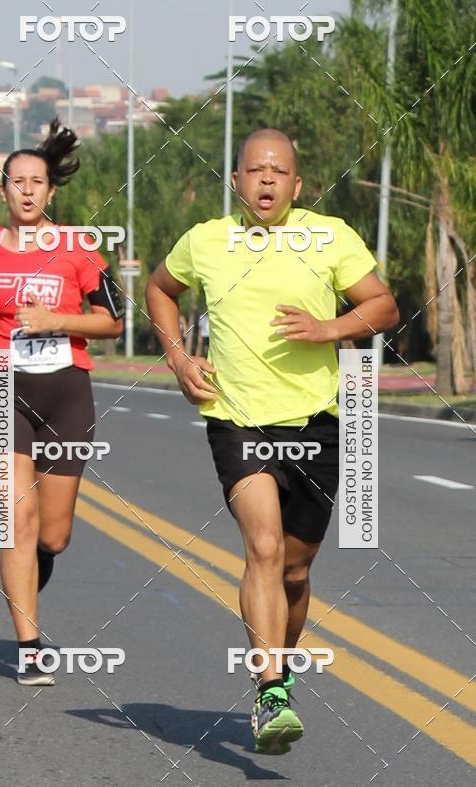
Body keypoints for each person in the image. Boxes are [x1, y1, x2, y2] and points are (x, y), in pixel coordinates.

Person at [146, 128, 399, 754]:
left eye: (278, 172)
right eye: (254, 170)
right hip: (237, 418)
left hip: (316, 423)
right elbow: (159, 289)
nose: (266, 181)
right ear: (235, 181)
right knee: (261, 545)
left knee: (294, 568)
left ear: (297, 185)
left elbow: (384, 306)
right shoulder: (207, 240)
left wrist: (328, 328)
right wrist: (178, 359)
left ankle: (278, 672)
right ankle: (271, 688)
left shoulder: (330, 236)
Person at [0, 119, 124, 686]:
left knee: (53, 535)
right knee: (15, 521)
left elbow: (113, 321)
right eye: (16, 181)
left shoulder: (79, 248)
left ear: (50, 191)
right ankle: (29, 646)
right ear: (3, 191)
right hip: (4, 390)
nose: (26, 190)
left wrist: (58, 320)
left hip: (66, 390)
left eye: (36, 181)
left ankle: (32, 576)